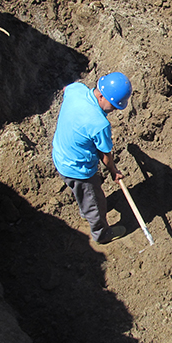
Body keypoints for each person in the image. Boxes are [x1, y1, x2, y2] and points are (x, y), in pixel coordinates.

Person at [52, 72, 132, 244]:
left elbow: (67, 89)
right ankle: (102, 234)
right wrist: (113, 171)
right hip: (77, 168)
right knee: (94, 199)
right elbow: (105, 155)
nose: (114, 110)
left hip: (60, 154)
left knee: (82, 194)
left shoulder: (77, 89)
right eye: (113, 106)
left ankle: (85, 211)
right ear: (101, 96)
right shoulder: (99, 124)